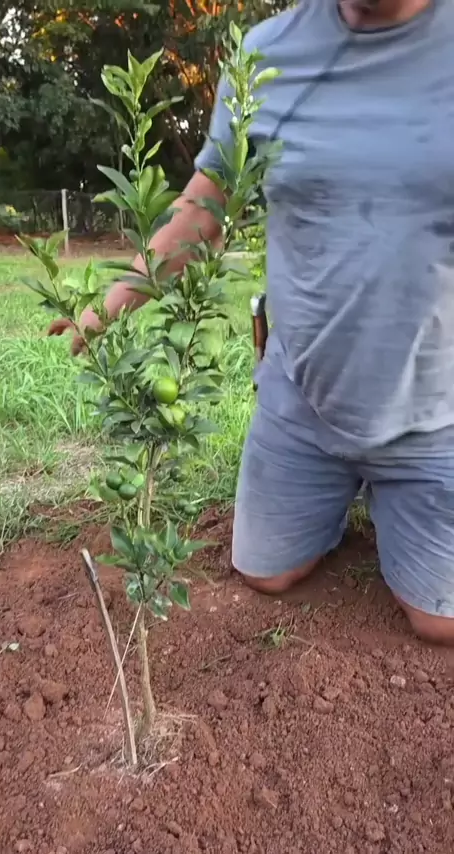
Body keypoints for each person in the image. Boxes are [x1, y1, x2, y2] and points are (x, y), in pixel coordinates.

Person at [50, 0, 454, 644]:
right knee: (266, 575)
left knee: (439, 624)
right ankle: (347, 484)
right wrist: (111, 301)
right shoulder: (266, 53)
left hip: (435, 408)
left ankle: (395, 493)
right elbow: (207, 203)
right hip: (303, 396)